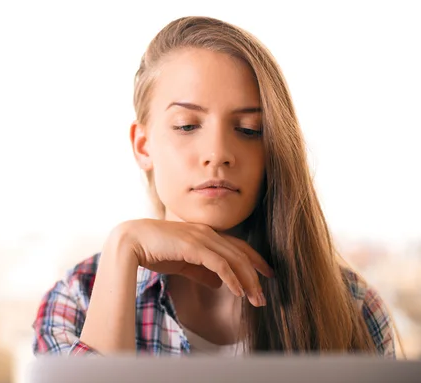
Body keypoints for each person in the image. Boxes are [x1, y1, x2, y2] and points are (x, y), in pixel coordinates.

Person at [31, 16, 396, 357]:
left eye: (249, 129)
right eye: (187, 126)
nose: (218, 154)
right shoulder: (76, 301)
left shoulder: (354, 309)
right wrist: (123, 246)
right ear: (143, 146)